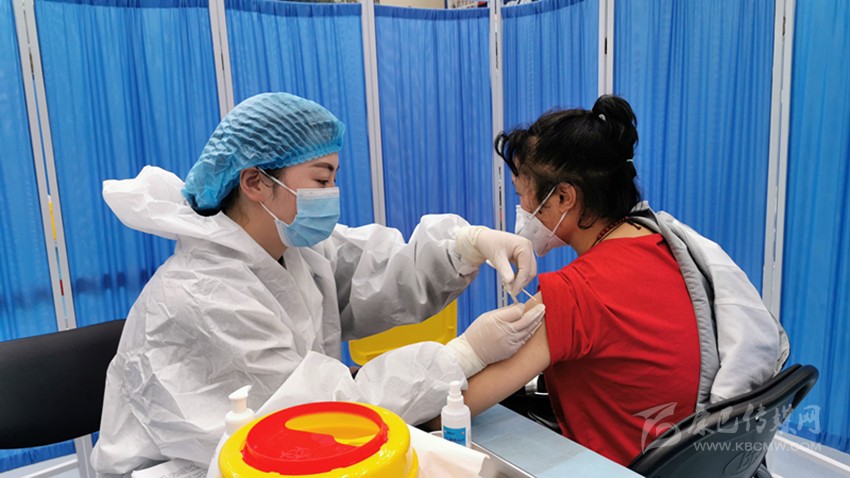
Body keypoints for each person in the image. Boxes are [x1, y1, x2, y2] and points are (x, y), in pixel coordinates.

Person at [91, 92, 545, 476]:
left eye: (334, 179)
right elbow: (316, 417)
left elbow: (379, 274)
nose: (331, 195)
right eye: (321, 179)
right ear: (255, 182)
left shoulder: (292, 250)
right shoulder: (204, 296)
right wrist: (464, 354)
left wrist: (465, 245)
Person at [456, 95, 789, 466]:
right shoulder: (668, 245)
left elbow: (452, 408)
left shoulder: (576, 292)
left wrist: (456, 354)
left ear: (564, 197)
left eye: (522, 197)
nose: (522, 211)